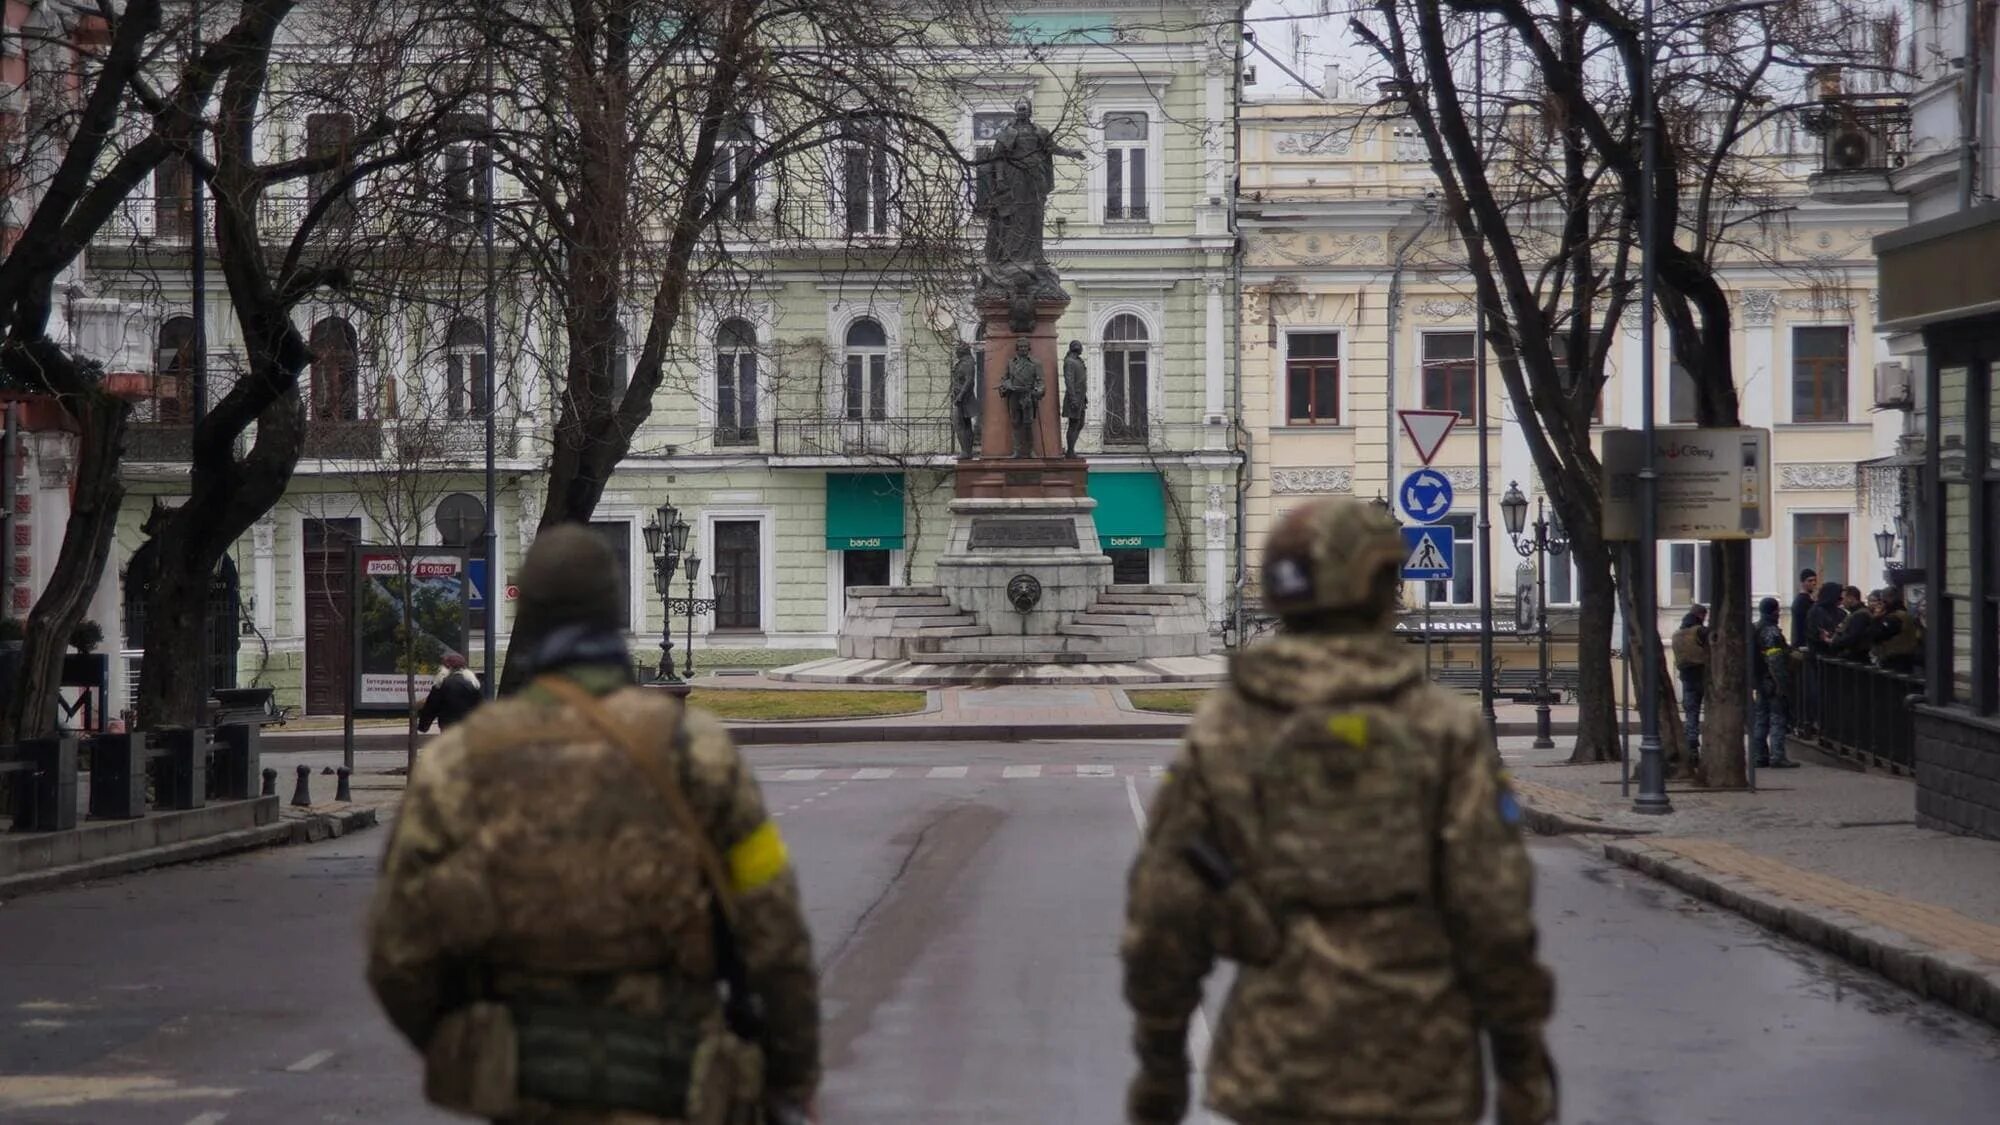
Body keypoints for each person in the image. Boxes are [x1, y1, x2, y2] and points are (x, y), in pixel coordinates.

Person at [1121, 496, 1556, 1125]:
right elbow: (1494, 913)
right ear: (1382, 586)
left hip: (1278, 1068)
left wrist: (1160, 1072)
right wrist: (1521, 1071)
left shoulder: (1229, 729)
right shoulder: (1442, 728)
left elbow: (1164, 914)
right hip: (1421, 1069)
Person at [367, 525, 820, 1124]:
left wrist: (487, 1052)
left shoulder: (458, 765)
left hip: (528, 1097)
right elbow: (774, 929)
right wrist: (789, 1079)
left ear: (529, 613)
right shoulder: (697, 753)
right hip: (678, 1089)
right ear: (613, 611)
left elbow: (398, 953)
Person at [1751, 597, 1799, 769]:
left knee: (1761, 718)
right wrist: (1782, 684)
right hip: (1772, 680)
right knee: (1777, 718)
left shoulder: (1756, 628)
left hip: (1759, 680)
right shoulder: (1771, 631)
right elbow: (1775, 659)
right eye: (1777, 610)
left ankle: (1759, 755)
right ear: (1774, 611)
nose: (1779, 613)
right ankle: (1777, 756)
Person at [1671, 606, 1709, 766]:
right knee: (1711, 712)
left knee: (1691, 716)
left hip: (1686, 678)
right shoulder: (1700, 631)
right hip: (1705, 676)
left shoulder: (1677, 634)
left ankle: (1692, 750)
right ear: (1700, 615)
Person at [416, 652, 483, 733]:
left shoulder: (441, 684)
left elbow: (431, 707)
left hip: (448, 726)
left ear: (447, 668)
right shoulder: (473, 684)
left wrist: (423, 726)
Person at [999, 337, 1044, 458]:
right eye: (1020, 347)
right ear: (1017, 349)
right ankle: (1017, 451)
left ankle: (1030, 450)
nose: (1023, 349)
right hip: (1014, 395)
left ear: (1028, 348)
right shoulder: (1011, 363)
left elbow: (1040, 381)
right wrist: (1007, 384)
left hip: (1027, 395)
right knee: (1015, 423)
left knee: (1028, 423)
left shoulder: (1035, 363)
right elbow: (1005, 378)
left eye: (1025, 347)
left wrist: (1039, 391)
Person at [1874, 587, 1924, 674]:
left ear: (1889, 599)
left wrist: (1876, 619)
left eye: (1883, 600)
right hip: (1905, 658)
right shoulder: (1905, 614)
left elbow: (1877, 635)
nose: (1881, 603)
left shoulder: (1894, 617)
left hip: (1894, 659)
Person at [1061, 339, 1087, 458]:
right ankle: (1070, 451)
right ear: (1076, 347)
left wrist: (1083, 397)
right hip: (1074, 398)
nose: (1082, 348)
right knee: (1074, 424)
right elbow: (1069, 381)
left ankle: (1071, 450)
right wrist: (1073, 399)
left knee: (1080, 423)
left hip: (1081, 398)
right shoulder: (1070, 362)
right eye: (1080, 346)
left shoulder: (1078, 361)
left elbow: (1081, 382)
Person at [1790, 569, 1819, 653]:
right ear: (1802, 583)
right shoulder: (1802, 601)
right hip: (1803, 645)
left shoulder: (1806, 600)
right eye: (1810, 581)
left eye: (1815, 580)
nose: (1813, 583)